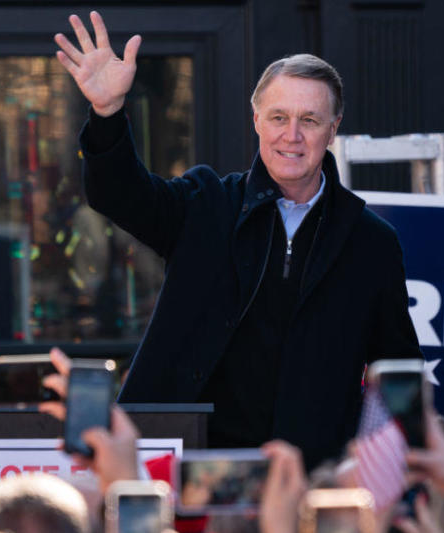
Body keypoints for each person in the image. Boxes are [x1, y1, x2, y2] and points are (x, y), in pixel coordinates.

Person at [54, 12, 421, 470]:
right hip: (185, 464)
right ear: (256, 121)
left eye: (309, 119)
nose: (292, 135)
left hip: (306, 479)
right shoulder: (205, 202)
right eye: (279, 117)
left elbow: (400, 377)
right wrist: (107, 114)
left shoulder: (372, 243)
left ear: (334, 127)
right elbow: (119, 195)